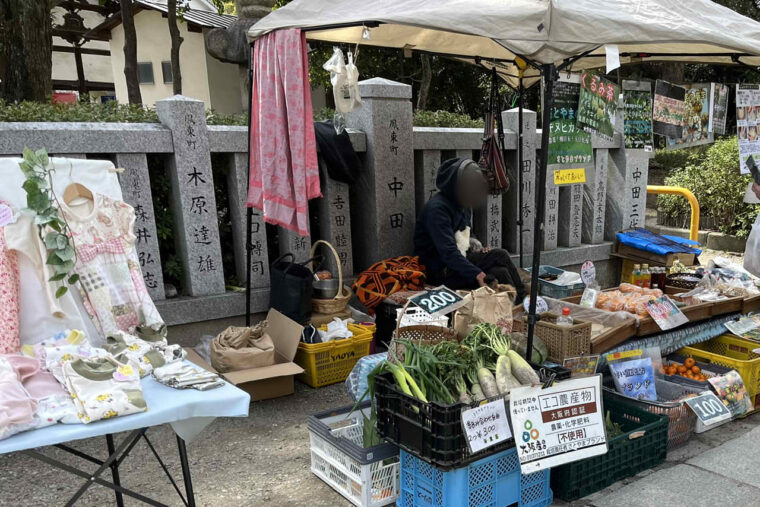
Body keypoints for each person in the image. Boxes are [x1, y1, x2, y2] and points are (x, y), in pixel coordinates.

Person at [414, 157, 526, 300]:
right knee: (500, 255)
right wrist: (476, 273)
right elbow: (448, 253)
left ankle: (514, 309)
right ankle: (524, 300)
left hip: (459, 260)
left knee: (500, 272)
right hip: (439, 270)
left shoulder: (463, 204)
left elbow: (468, 234)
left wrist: (478, 248)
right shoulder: (437, 209)